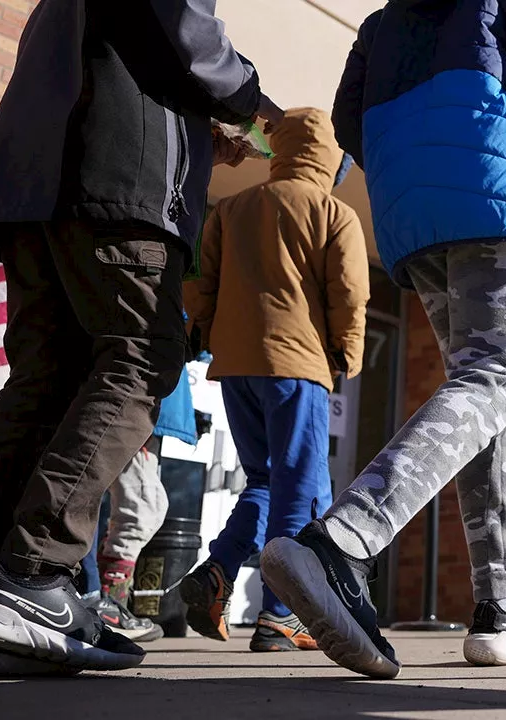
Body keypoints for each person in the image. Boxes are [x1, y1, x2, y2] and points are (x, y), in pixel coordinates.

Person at [258, 0, 506, 678]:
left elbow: (348, 121)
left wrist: (417, 167)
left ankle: (502, 605)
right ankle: (343, 541)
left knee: (486, 401)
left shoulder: (383, 22)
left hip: (414, 209)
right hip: (493, 190)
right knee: (490, 379)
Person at [0, 0, 279, 674]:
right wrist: (248, 96)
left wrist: (195, 132)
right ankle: (32, 572)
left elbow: (126, 45)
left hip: (43, 184)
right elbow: (183, 27)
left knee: (50, 380)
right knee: (140, 360)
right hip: (116, 180)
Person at [181, 107, 369, 653]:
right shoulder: (334, 214)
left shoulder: (234, 207)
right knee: (298, 486)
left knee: (263, 480)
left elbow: (199, 279)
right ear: (331, 157)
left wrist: (203, 332)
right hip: (296, 365)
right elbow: (350, 294)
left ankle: (217, 571)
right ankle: (280, 614)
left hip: (235, 366)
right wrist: (346, 354)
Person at [76, 363, 199, 643]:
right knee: (138, 507)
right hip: (136, 393)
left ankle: (106, 600)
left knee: (137, 505)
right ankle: (101, 602)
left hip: (147, 395)